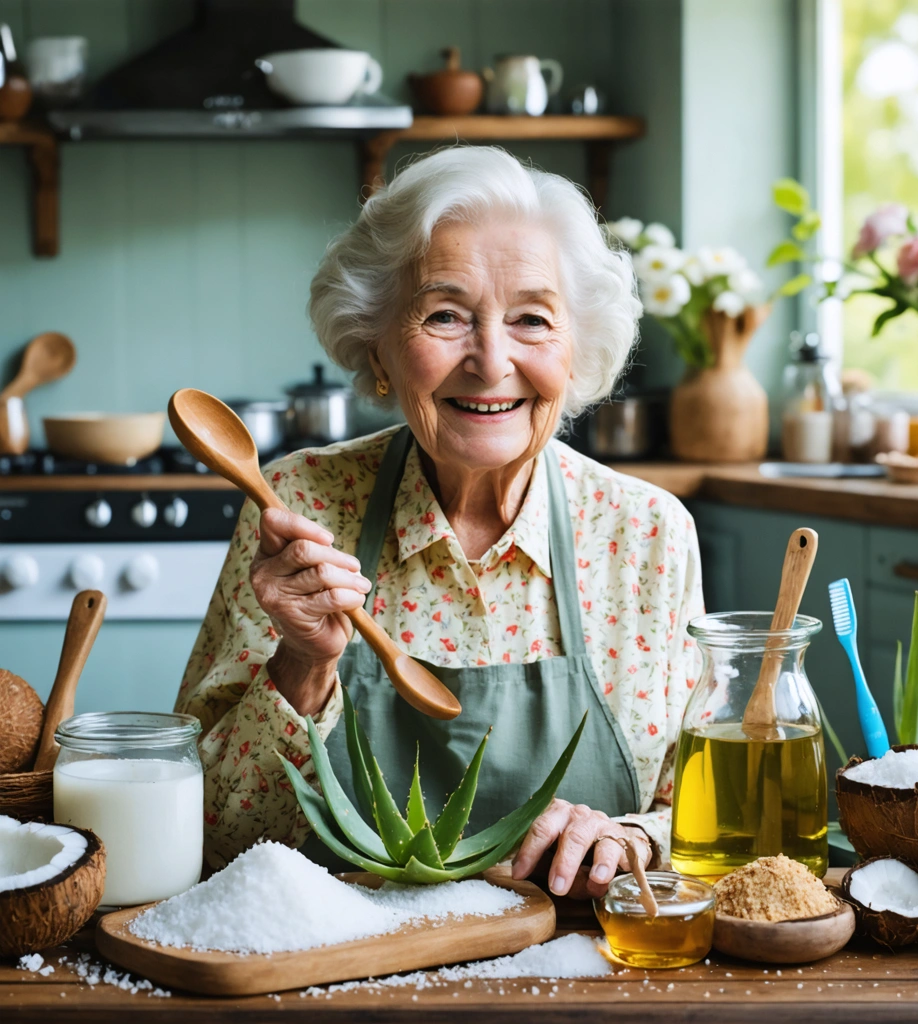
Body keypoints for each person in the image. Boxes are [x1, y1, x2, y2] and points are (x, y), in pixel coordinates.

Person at [177, 146, 704, 899]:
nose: (491, 362)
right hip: (339, 978)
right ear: (378, 344)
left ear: (578, 349)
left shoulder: (647, 535)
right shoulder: (298, 506)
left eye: (532, 319)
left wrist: (633, 839)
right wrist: (302, 664)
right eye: (446, 315)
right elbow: (204, 834)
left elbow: (712, 818)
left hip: (586, 979)